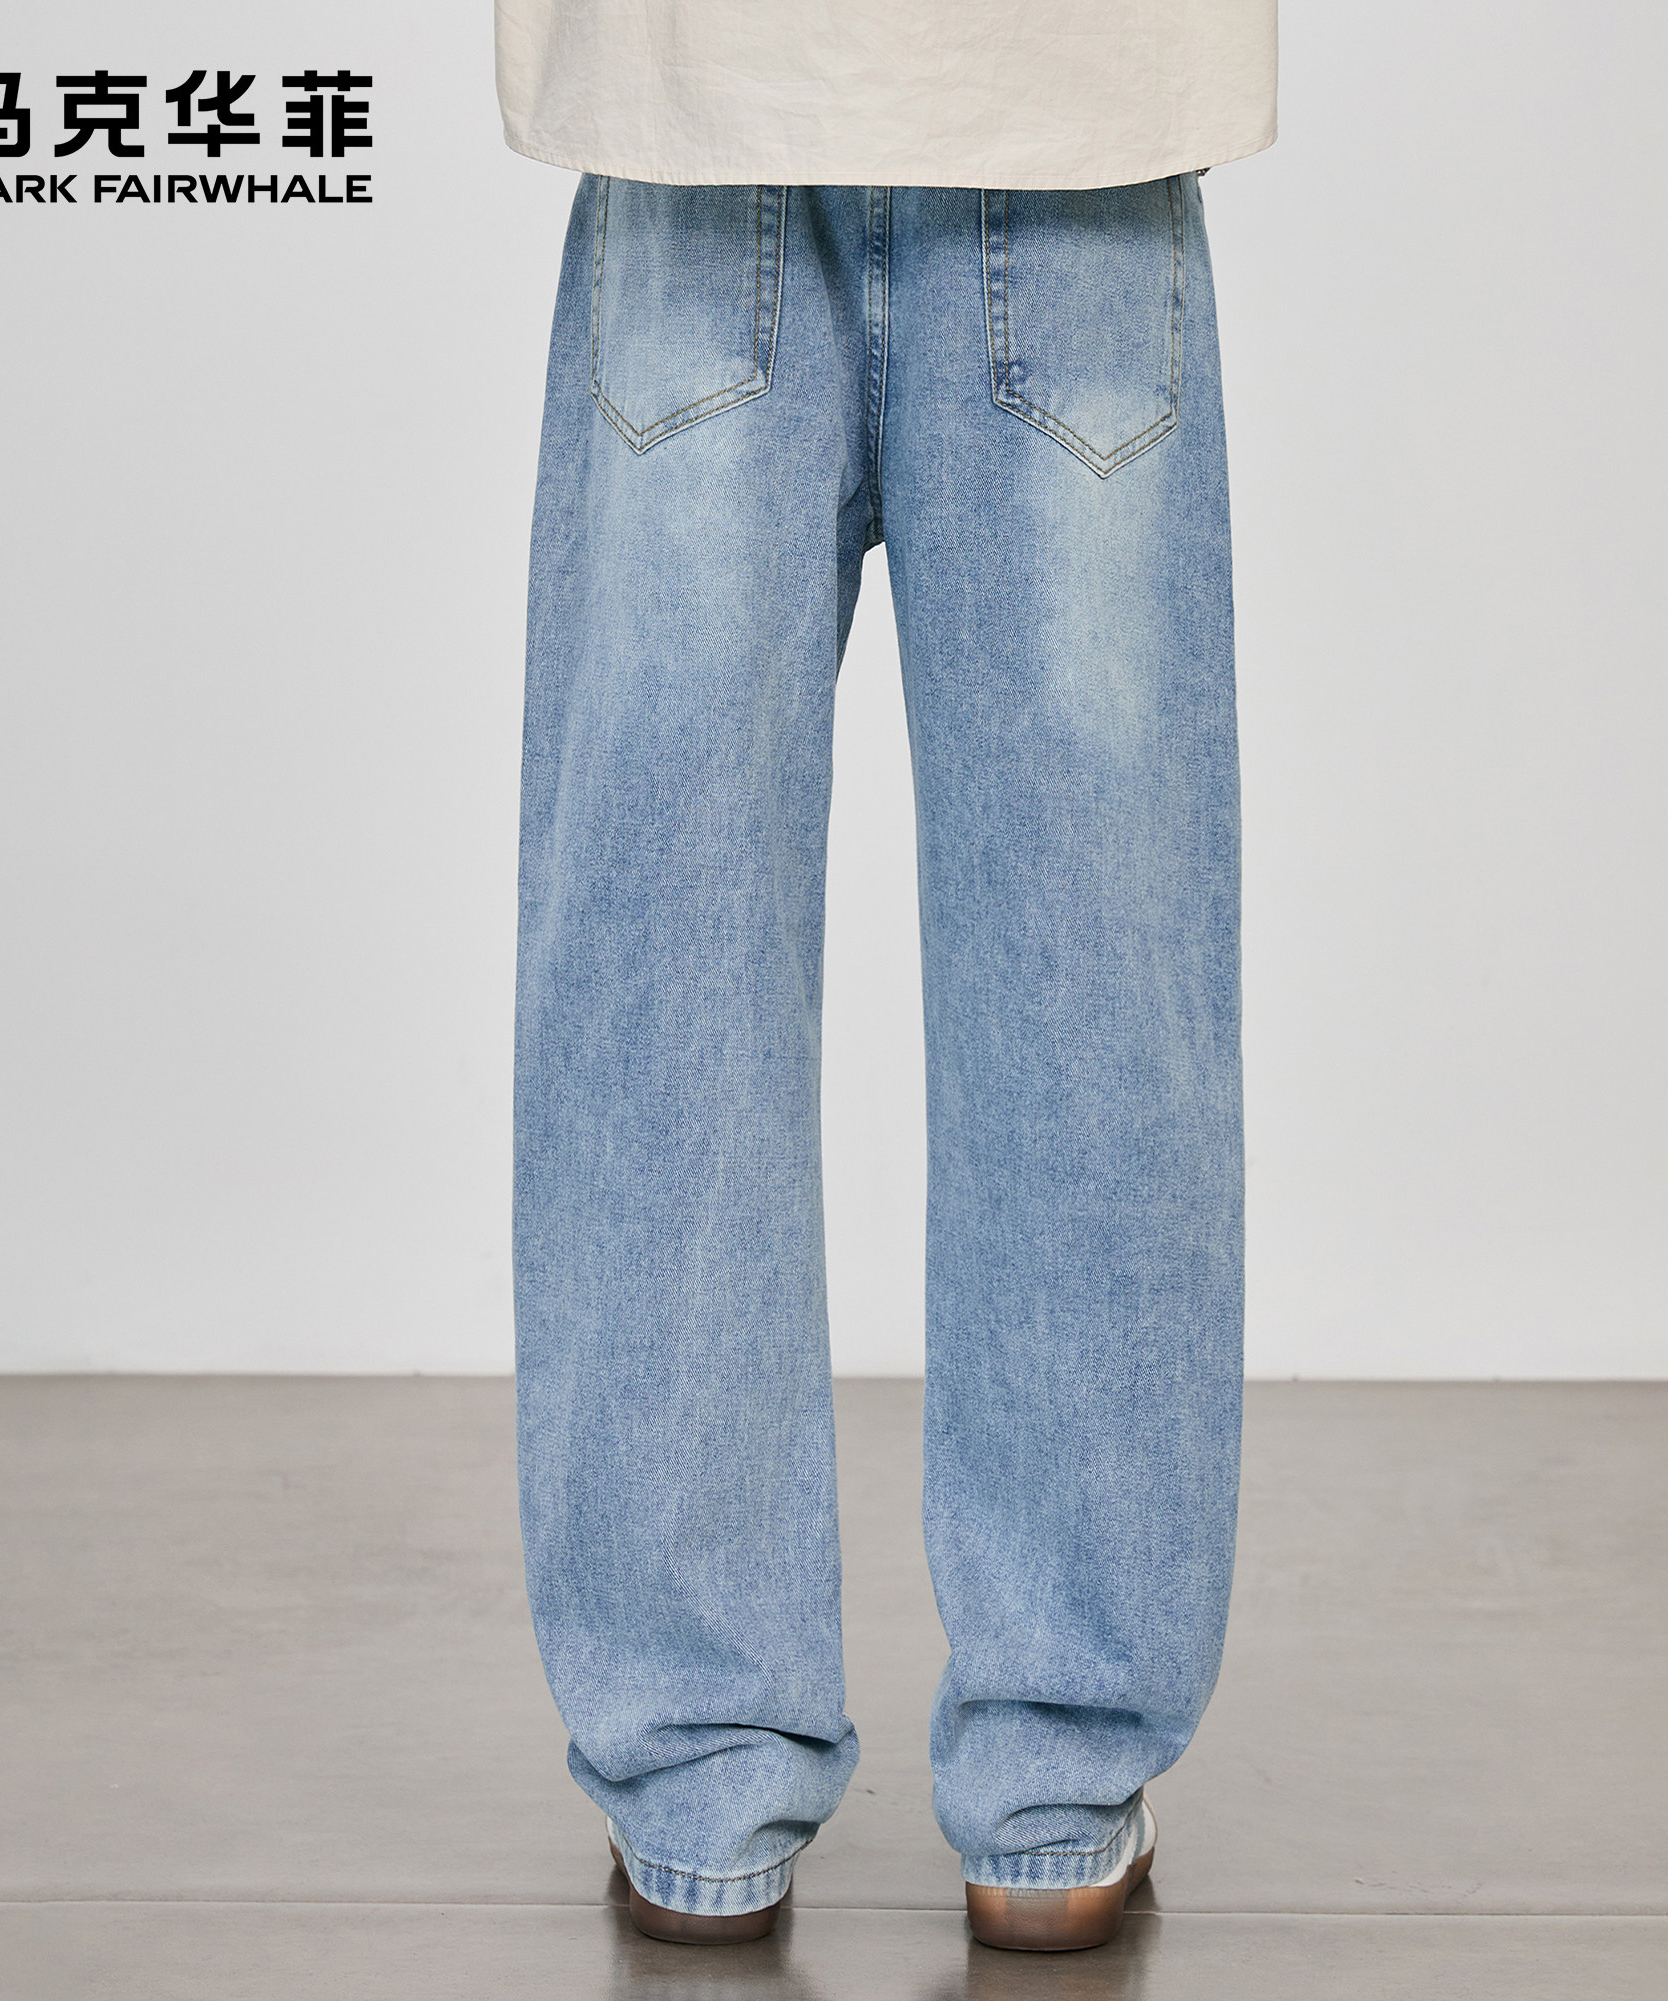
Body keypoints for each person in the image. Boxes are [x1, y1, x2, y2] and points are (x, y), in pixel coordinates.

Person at [499, 0, 1276, 1954]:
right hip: (1068, 97)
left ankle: (696, 1783)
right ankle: (1057, 1792)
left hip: (698, 102)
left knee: (658, 986)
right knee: (1094, 992)